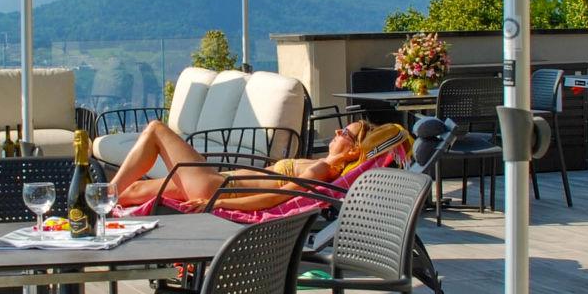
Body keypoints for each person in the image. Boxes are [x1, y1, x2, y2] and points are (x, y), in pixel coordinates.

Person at [112, 117, 400, 213]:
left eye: (344, 134)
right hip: (220, 182)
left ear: (352, 152)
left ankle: (94, 199)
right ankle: (90, 206)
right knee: (133, 190)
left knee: (155, 130)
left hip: (219, 188)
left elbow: (277, 198)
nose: (337, 133)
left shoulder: (321, 170)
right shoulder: (320, 164)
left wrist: (217, 204)